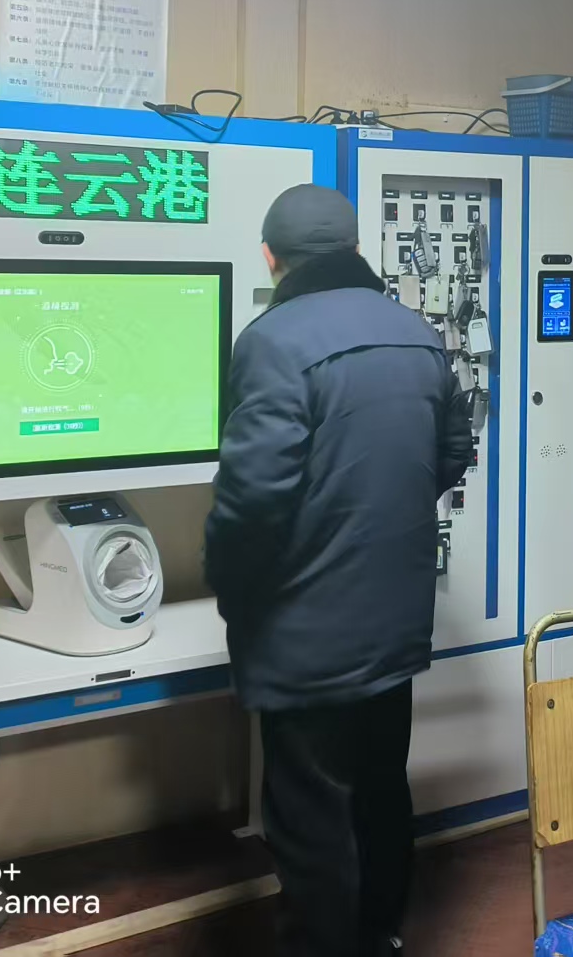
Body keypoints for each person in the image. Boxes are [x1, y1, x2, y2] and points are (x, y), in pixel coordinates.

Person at [204, 184, 473, 957]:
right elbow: (453, 451)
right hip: (394, 617)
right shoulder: (414, 331)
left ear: (271, 257)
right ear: (355, 249)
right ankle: (381, 932)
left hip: (305, 629)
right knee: (381, 784)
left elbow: (254, 497)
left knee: (310, 813)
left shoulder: (272, 340)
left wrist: (232, 585)